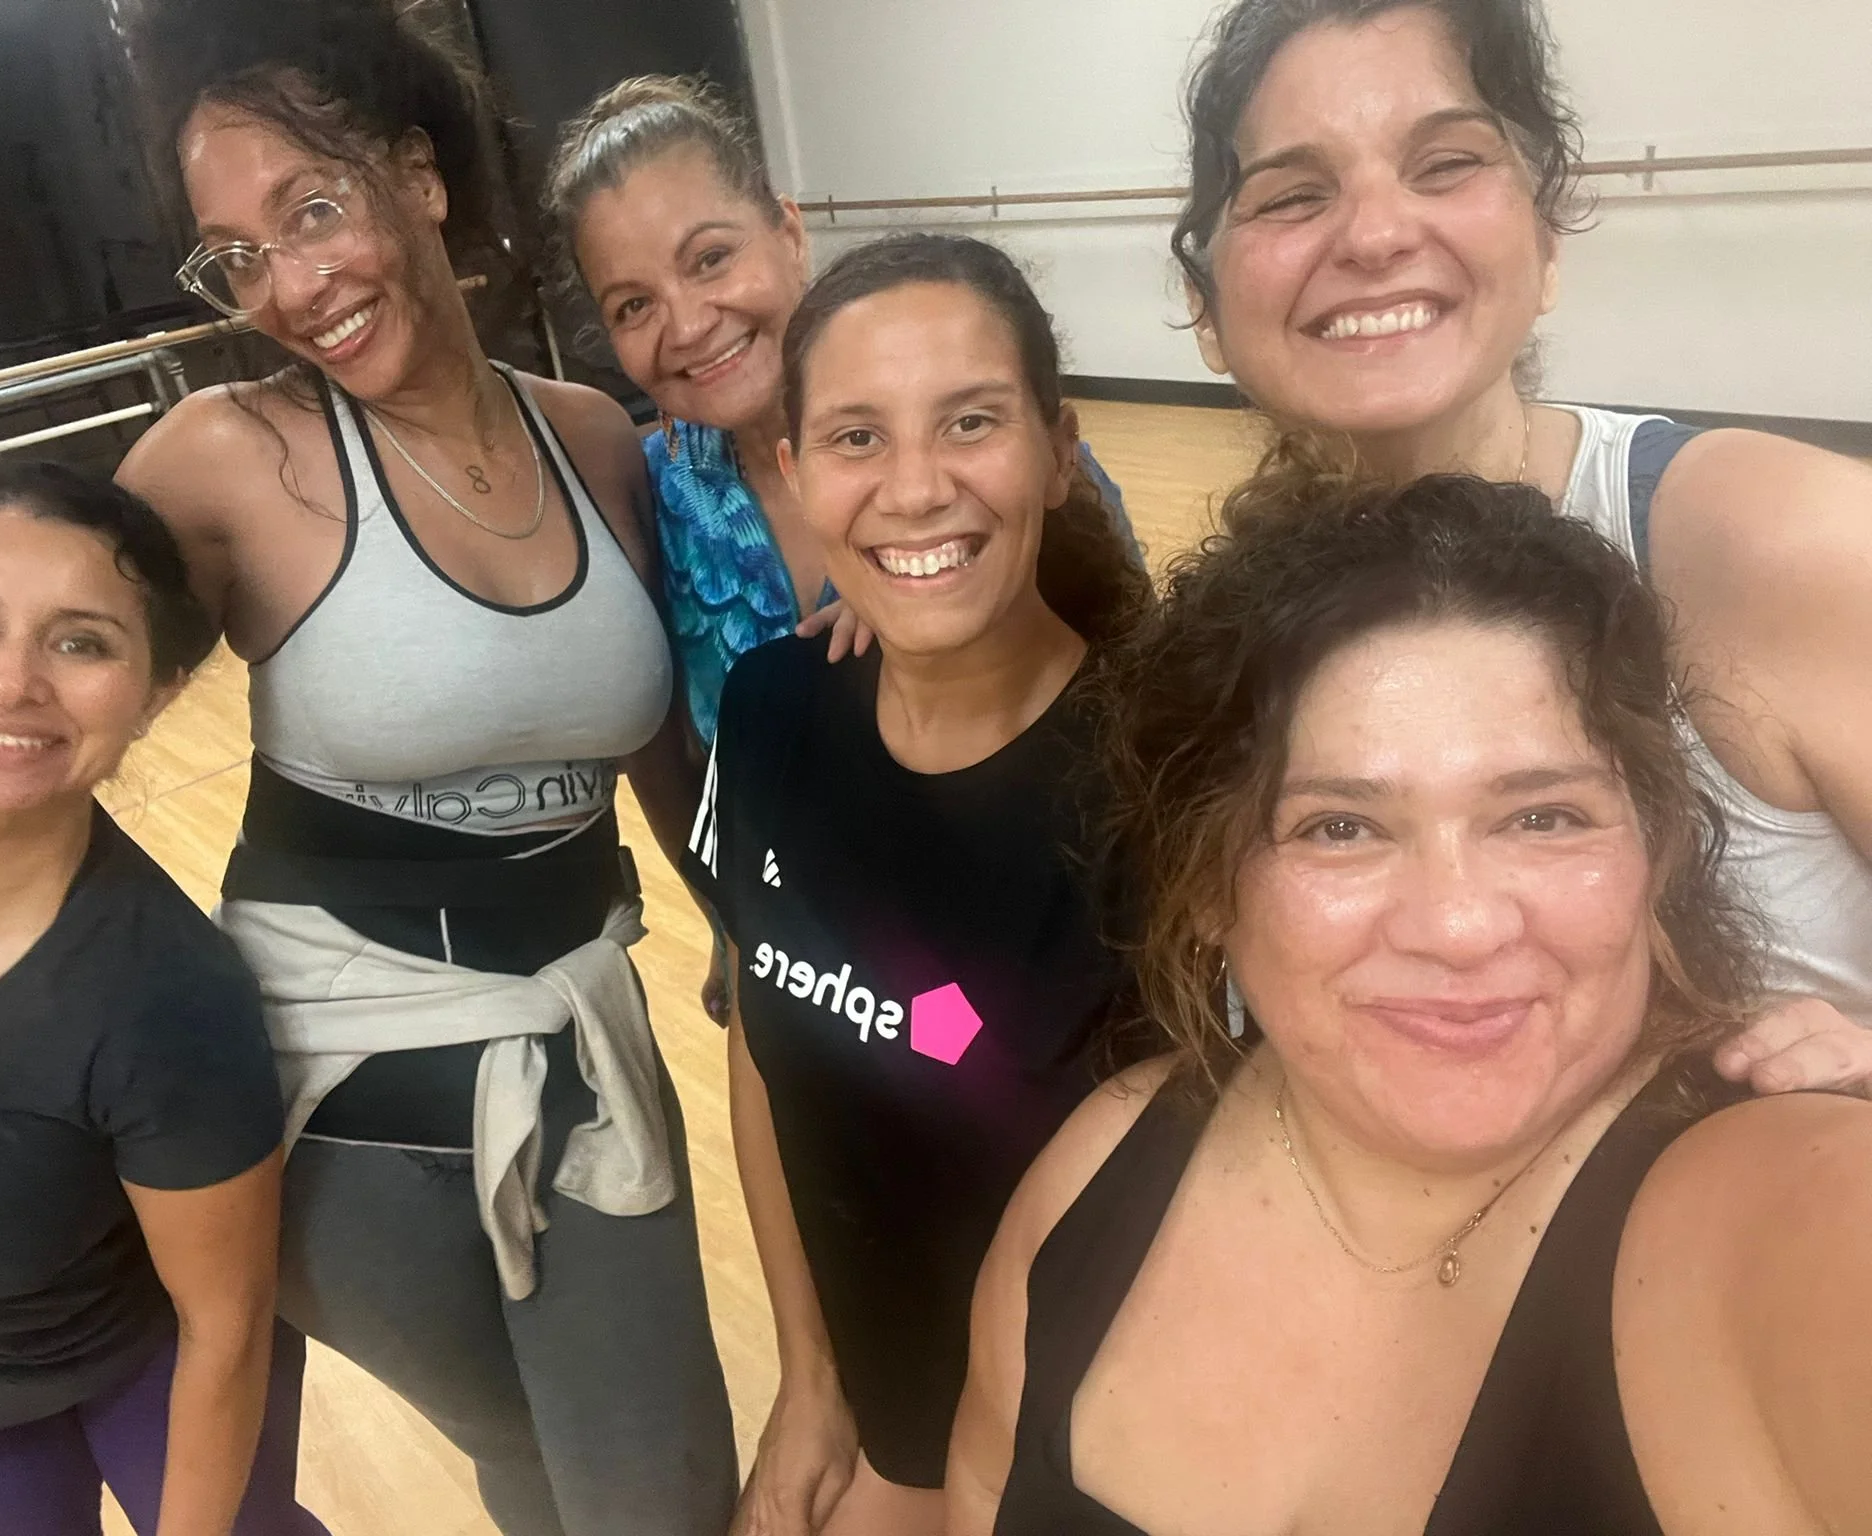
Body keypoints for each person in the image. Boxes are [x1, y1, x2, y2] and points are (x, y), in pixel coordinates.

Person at [949, 463, 1872, 1535]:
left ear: (1655, 848)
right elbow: (977, 1492)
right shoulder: (1101, 1165)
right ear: (1205, 886)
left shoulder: (1781, 1217)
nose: (1457, 925)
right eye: (1340, 827)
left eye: (1542, 818)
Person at [116, 3, 737, 1532]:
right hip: (339, 1088)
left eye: (314, 209)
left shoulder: (595, 440)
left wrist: (744, 924)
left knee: (654, 1489)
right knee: (542, 1461)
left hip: (579, 1023)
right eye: (238, 254)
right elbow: (15, 664)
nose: (291, 283)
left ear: (422, 177)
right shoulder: (228, 458)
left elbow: (657, 734)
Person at [1168, 0, 1872, 1084]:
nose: (1372, 233)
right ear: (1205, 308)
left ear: (1544, 243)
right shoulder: (1241, 616)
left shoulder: (1775, 542)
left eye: (1443, 163)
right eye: (1294, 194)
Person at [680, 232, 1149, 1535]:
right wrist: (815, 1384)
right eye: (856, 438)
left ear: (1060, 450)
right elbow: (765, 1046)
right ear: (793, 471)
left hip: (1080, 1459)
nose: (917, 486)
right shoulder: (771, 714)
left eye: (971, 422)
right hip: (883, 1414)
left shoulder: (1167, 786)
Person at [0, 461, 322, 1536]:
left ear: (157, 695)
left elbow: (222, 1328)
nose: (10, 684)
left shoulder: (168, 997)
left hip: (144, 1355)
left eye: (81, 641)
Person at [542, 74, 1139, 751]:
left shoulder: (997, 461)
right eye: (633, 305)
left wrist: (914, 581)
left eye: (710, 259)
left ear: (789, 233)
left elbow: (1135, 673)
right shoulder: (651, 499)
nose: (685, 326)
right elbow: (667, 749)